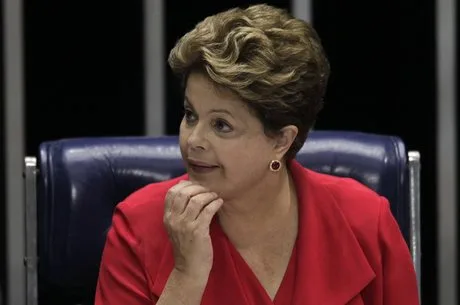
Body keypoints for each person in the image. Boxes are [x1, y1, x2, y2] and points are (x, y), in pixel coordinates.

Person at [94, 4, 419, 305]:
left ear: (281, 141)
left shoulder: (365, 223)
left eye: (221, 125)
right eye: (190, 115)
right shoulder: (138, 229)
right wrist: (185, 278)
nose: (194, 139)